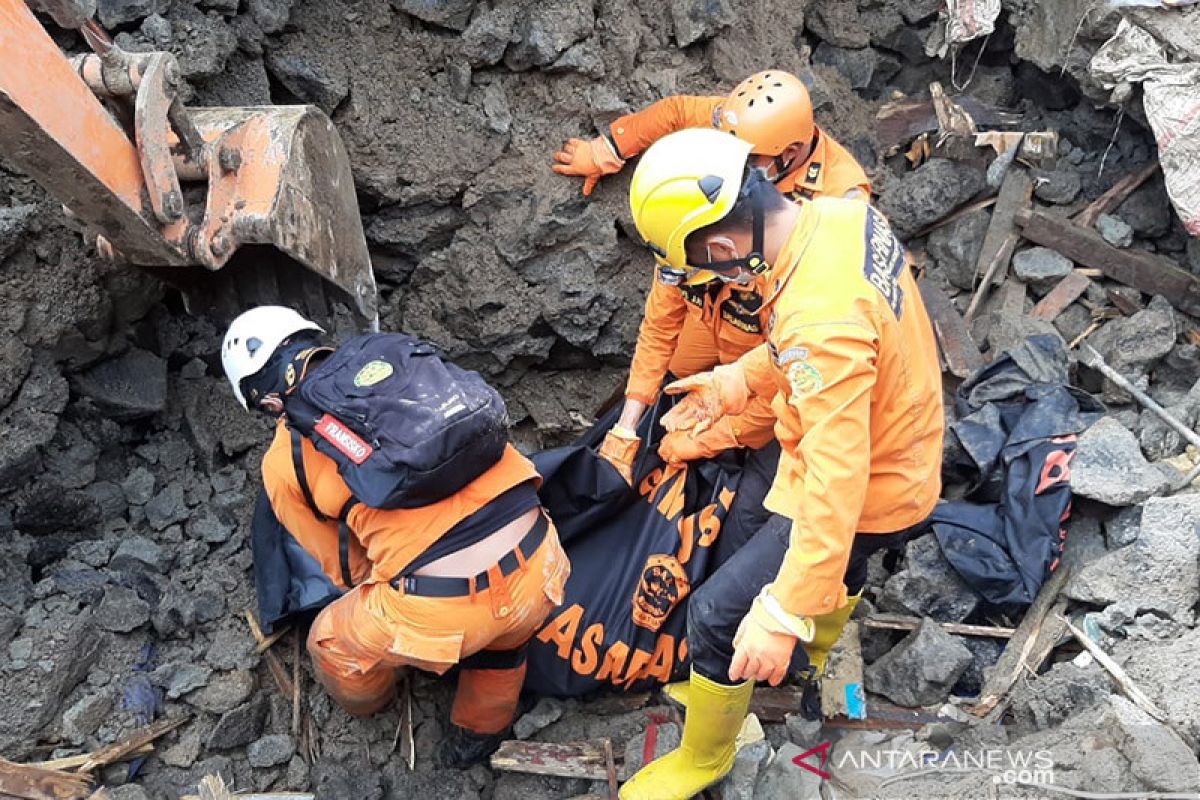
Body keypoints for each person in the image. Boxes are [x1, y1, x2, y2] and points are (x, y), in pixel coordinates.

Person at [617, 130, 944, 800]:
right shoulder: (842, 218)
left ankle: (705, 757)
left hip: (869, 488)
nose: (714, 282)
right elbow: (835, 340)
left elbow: (836, 480)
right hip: (905, 452)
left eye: (704, 268)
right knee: (811, 559)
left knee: (717, 614)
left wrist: (782, 610)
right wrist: (736, 380)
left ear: (726, 245)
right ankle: (816, 651)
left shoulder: (818, 322)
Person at [220, 307, 570, 769]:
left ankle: (376, 707)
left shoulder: (286, 461)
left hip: (443, 613)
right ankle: (479, 735)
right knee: (505, 644)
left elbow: (346, 570)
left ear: (266, 403)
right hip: (542, 563)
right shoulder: (398, 364)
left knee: (331, 644)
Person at [552, 70, 871, 481]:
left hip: (765, 328)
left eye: (749, 162)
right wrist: (610, 147)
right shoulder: (732, 134)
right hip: (709, 304)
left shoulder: (838, 205)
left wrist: (717, 437)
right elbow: (663, 311)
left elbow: (796, 359)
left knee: (749, 423)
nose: (733, 166)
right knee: (674, 382)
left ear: (789, 152)